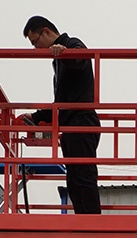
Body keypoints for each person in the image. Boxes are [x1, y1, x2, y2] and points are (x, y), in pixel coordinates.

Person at [22, 16, 101, 215]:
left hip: (81, 122)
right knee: (74, 178)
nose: (36, 48)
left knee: (83, 175)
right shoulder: (57, 60)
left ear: (47, 32)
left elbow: (81, 57)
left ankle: (92, 223)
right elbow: (62, 101)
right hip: (71, 124)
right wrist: (37, 115)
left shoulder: (71, 44)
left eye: (35, 42)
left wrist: (65, 53)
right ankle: (84, 221)